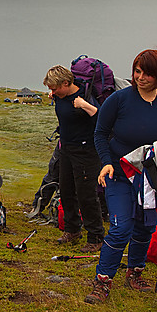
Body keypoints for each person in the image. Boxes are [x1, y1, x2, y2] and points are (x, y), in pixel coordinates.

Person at [87, 48, 157, 303]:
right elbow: (100, 133)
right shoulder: (119, 100)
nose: (140, 77)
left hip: (153, 180)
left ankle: (135, 274)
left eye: (147, 74)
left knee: (145, 228)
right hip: (120, 175)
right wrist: (107, 163)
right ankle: (102, 282)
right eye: (137, 71)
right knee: (121, 228)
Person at [43, 65, 104, 251]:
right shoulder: (59, 95)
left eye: (54, 88)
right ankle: (72, 229)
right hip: (67, 149)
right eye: (50, 89)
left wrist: (85, 106)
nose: (52, 92)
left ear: (66, 83)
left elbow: (101, 120)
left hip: (86, 151)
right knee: (66, 190)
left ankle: (95, 237)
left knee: (86, 194)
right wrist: (55, 94)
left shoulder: (84, 98)